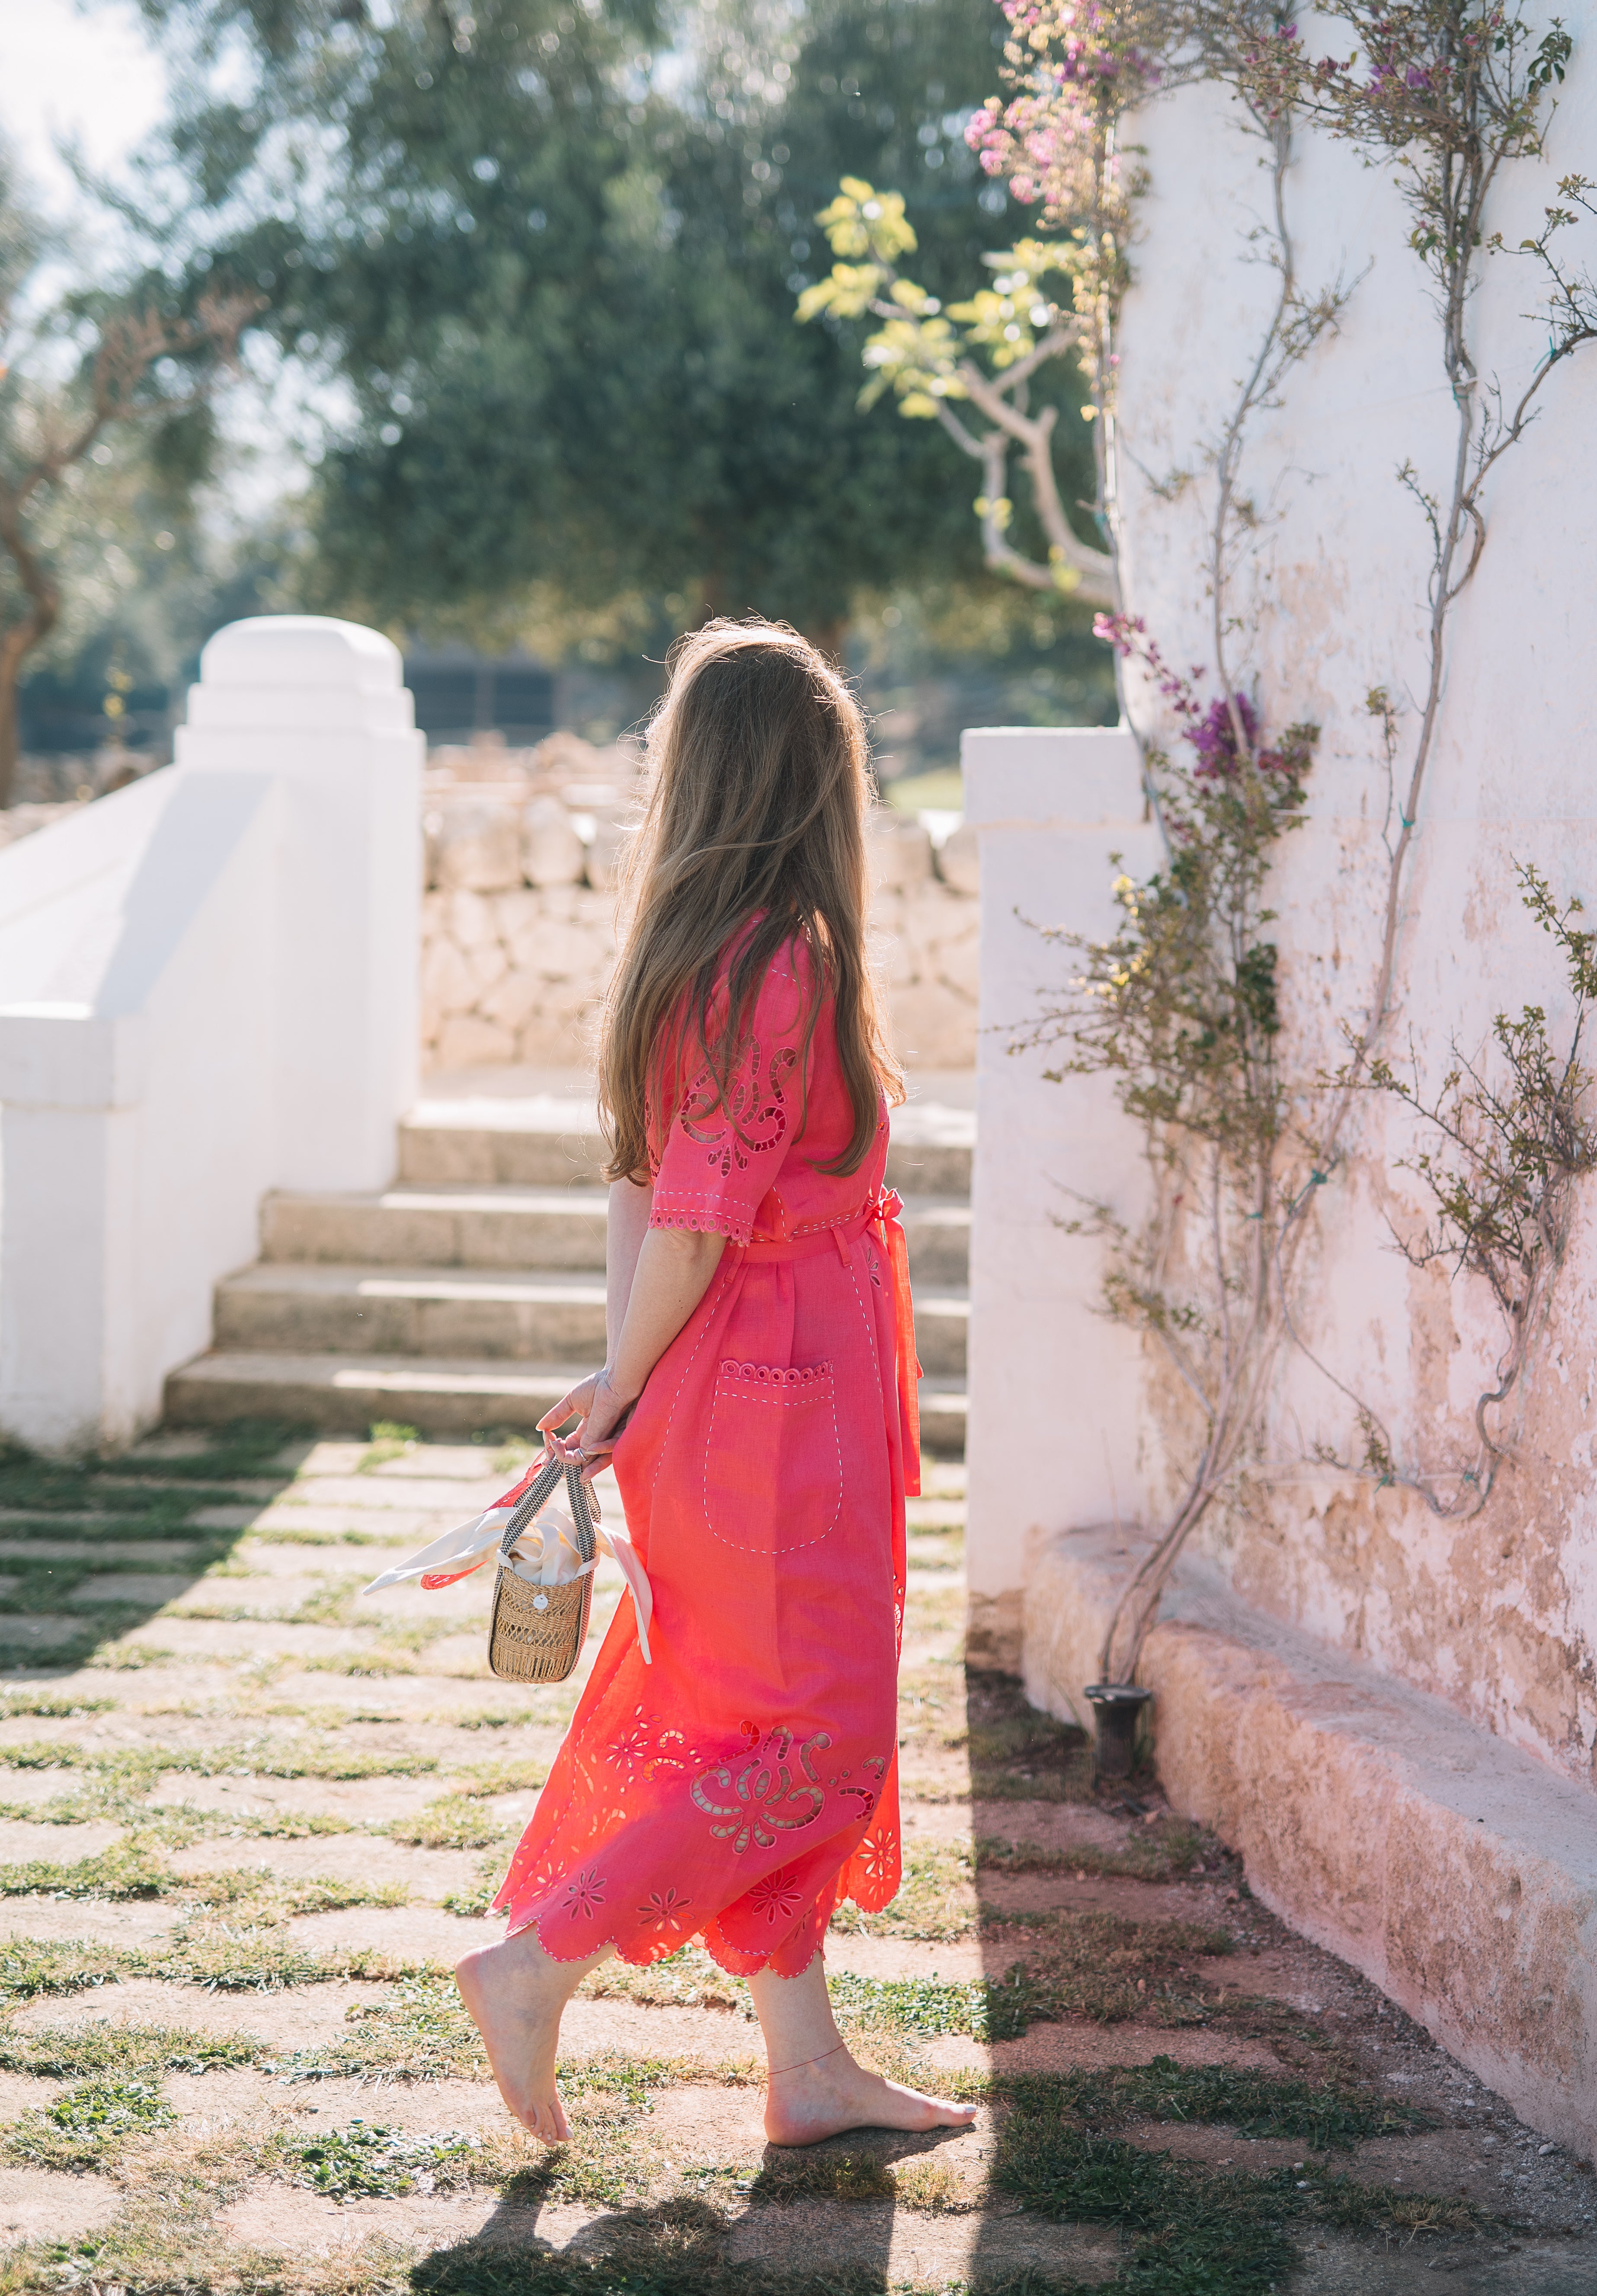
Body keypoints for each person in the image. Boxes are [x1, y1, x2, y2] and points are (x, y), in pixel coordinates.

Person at [454, 619, 975, 2151]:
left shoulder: (681, 959)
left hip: (716, 1392)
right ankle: (536, 1962)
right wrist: (624, 1373)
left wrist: (627, 1380)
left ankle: (806, 2068)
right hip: (781, 1394)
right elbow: (693, 1211)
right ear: (816, 778)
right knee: (816, 1746)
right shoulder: (785, 962)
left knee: (744, 1721)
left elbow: (646, 1197)